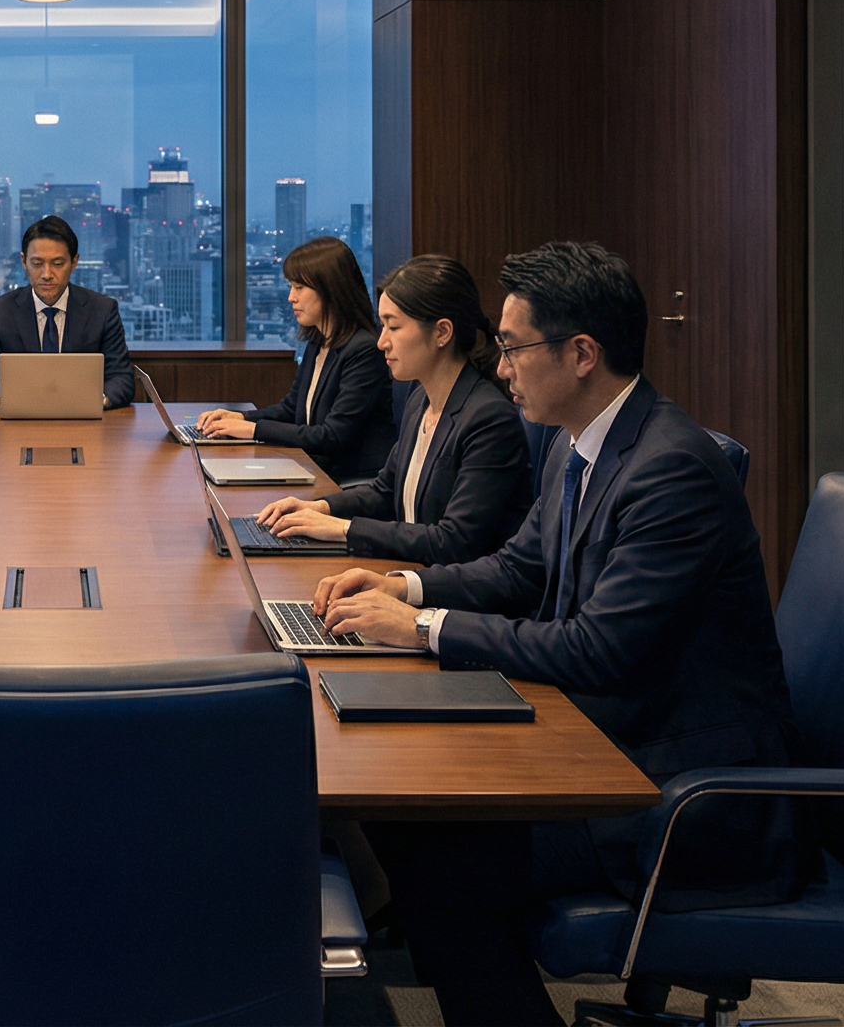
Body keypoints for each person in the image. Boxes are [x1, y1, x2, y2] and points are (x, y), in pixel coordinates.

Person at [311, 242, 806, 1026]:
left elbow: (595, 649)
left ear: (582, 354)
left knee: (439, 860)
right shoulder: (579, 443)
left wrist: (423, 627)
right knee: (408, 818)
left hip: (679, 792)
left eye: (512, 348)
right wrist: (400, 583)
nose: (500, 368)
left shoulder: (667, 469)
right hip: (605, 743)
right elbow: (515, 569)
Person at [248, 253, 532, 565]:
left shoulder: (488, 418)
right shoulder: (419, 399)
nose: (381, 341)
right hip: (407, 568)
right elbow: (385, 491)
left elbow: (454, 542)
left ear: (441, 333)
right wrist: (319, 507)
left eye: (393, 327)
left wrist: (343, 529)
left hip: (447, 597)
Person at [195, 236, 395, 483]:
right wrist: (240, 418)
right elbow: (291, 409)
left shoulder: (363, 350)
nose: (291, 297)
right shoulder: (319, 341)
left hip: (350, 481)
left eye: (299, 288)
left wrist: (253, 430)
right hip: (315, 468)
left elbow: (332, 436)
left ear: (331, 288)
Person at [0, 214, 135, 410]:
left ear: (74, 262)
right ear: (23, 261)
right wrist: (14, 401)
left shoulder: (102, 310)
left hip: (85, 424)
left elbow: (122, 379)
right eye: (37, 264)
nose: (47, 274)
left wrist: (91, 401)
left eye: (58, 264)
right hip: (16, 426)